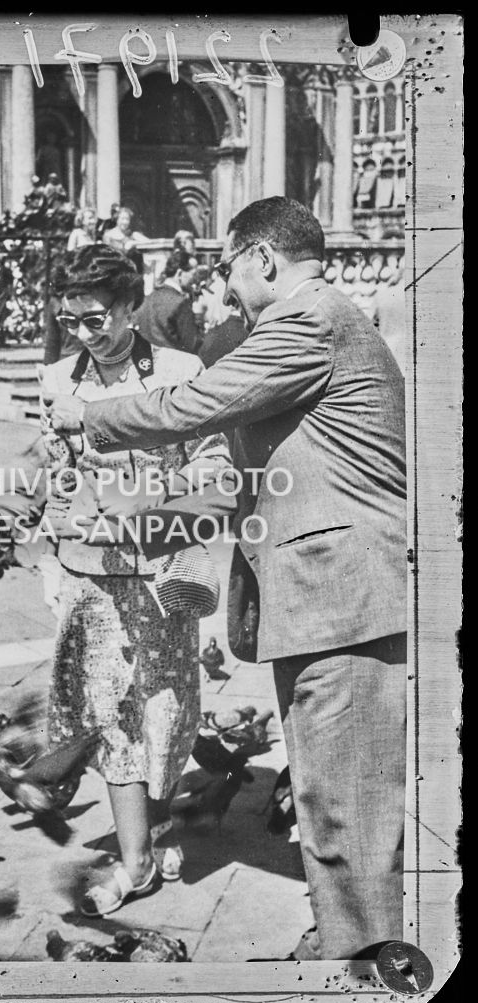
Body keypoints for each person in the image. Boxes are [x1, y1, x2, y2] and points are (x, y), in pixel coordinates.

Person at [47, 197, 407, 961]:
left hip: (342, 596)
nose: (224, 285)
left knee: (341, 795)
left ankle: (360, 956)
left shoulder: (306, 321)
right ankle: (350, 938)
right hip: (327, 594)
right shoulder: (317, 319)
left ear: (262, 260)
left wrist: (89, 418)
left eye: (226, 267)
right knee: (327, 791)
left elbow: (200, 402)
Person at [39, 244, 230, 917]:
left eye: (95, 319)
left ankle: (153, 825)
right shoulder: (57, 378)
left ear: (128, 306)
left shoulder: (180, 372)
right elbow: (54, 475)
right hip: (88, 580)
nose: (83, 334)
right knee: (110, 718)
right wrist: (49, 559)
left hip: (160, 577)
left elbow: (215, 473)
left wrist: (145, 504)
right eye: (69, 321)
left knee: (166, 714)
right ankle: (135, 860)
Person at [133, 249, 199, 356]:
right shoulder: (180, 303)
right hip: (175, 364)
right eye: (194, 274)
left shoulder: (147, 299)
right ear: (180, 273)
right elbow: (191, 344)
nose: (195, 279)